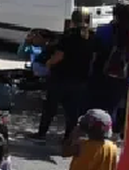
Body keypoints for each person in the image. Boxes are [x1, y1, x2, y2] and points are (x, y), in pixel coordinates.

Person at [33, 9, 96, 139]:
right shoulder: (92, 36)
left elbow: (59, 55)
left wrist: (49, 64)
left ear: (73, 20)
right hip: (80, 78)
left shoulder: (69, 35)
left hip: (61, 77)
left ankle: (41, 134)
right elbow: (94, 57)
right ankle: (69, 138)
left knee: (50, 107)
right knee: (72, 111)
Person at [90, 2, 129, 137]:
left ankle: (96, 132)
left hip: (101, 73)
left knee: (99, 104)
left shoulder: (104, 31)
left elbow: (94, 53)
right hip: (125, 77)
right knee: (117, 106)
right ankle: (113, 134)